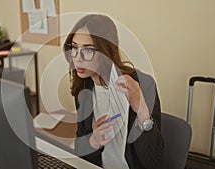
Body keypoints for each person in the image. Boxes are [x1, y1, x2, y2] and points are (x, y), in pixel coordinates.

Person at [63, 14, 164, 169]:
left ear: (106, 51)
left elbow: (153, 162)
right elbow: (79, 150)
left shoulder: (142, 85)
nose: (77, 58)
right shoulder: (83, 89)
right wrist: (93, 141)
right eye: (74, 47)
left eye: (88, 50)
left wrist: (141, 109)